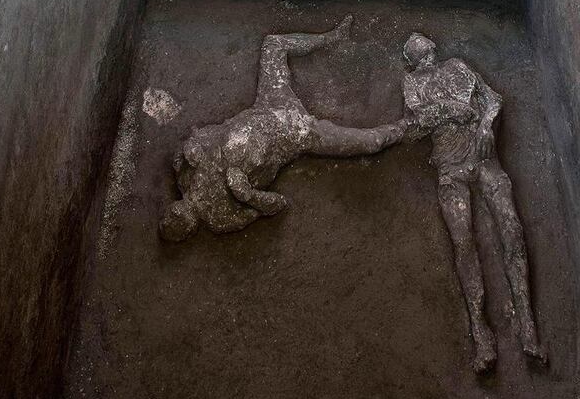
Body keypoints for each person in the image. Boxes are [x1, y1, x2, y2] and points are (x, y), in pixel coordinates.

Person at [160, 16, 403, 241]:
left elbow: (191, 142)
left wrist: (191, 147)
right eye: (176, 223)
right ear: (190, 229)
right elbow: (277, 205)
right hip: (293, 135)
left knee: (273, 44)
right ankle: (404, 127)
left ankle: (332, 38)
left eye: (168, 216)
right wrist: (246, 194)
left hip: (268, 105)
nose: (174, 215)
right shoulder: (220, 218)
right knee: (369, 143)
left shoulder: (185, 178)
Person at [401, 32, 547, 374]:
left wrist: (485, 125)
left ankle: (528, 327)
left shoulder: (457, 67)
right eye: (420, 54)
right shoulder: (411, 85)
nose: (428, 55)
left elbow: (492, 98)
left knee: (512, 232)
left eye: (429, 50)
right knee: (464, 245)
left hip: (485, 161)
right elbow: (415, 126)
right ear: (412, 61)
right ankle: (481, 335)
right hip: (451, 169)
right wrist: (449, 108)